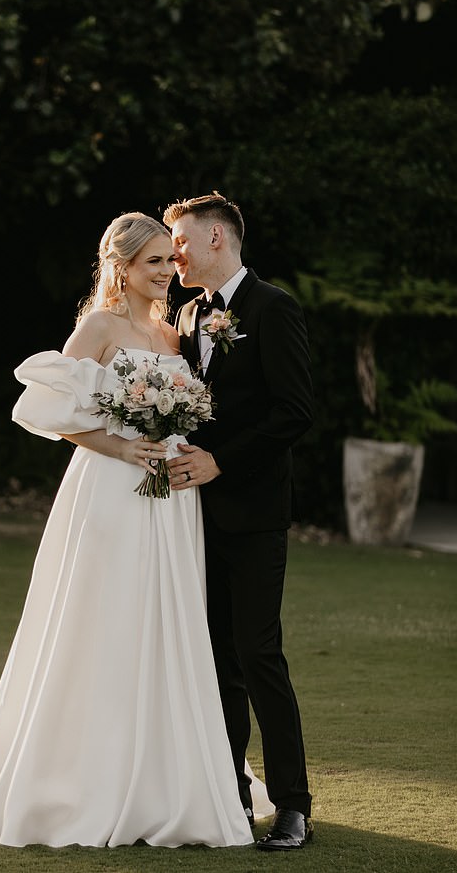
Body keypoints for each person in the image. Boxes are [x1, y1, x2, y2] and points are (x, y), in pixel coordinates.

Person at [0, 212, 273, 849]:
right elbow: (49, 409)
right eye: (155, 263)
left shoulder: (176, 334)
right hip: (113, 491)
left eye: (171, 260)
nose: (169, 273)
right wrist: (119, 447)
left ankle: (167, 780)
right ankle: (87, 776)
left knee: (166, 625)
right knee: (104, 620)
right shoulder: (99, 327)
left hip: (171, 501)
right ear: (123, 267)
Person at [163, 192, 314, 851]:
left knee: (258, 654)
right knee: (216, 660)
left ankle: (293, 805)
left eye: (182, 240)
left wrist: (222, 462)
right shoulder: (187, 311)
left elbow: (293, 413)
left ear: (218, 238)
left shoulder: (274, 308)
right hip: (193, 518)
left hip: (253, 514)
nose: (175, 253)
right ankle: (228, 794)